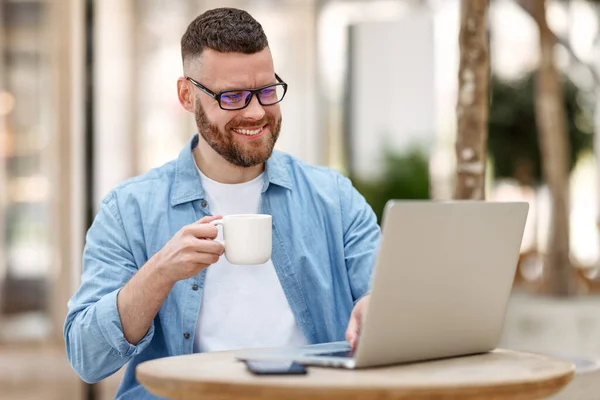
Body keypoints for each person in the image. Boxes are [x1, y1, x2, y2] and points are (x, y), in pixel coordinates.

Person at [64, 7, 380, 399]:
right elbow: (87, 358)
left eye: (266, 90)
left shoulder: (334, 198)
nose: (255, 111)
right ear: (186, 95)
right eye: (232, 97)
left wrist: (377, 311)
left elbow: (382, 300)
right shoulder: (129, 210)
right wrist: (159, 273)